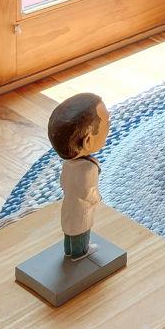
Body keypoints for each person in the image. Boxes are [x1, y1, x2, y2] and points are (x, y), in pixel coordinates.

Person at [47, 93, 110, 260]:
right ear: (88, 141)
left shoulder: (68, 165)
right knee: (81, 233)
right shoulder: (88, 169)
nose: (109, 128)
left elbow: (63, 183)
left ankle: (69, 251)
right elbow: (88, 191)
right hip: (81, 210)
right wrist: (96, 199)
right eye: (107, 126)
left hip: (69, 207)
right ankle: (80, 253)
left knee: (70, 233)